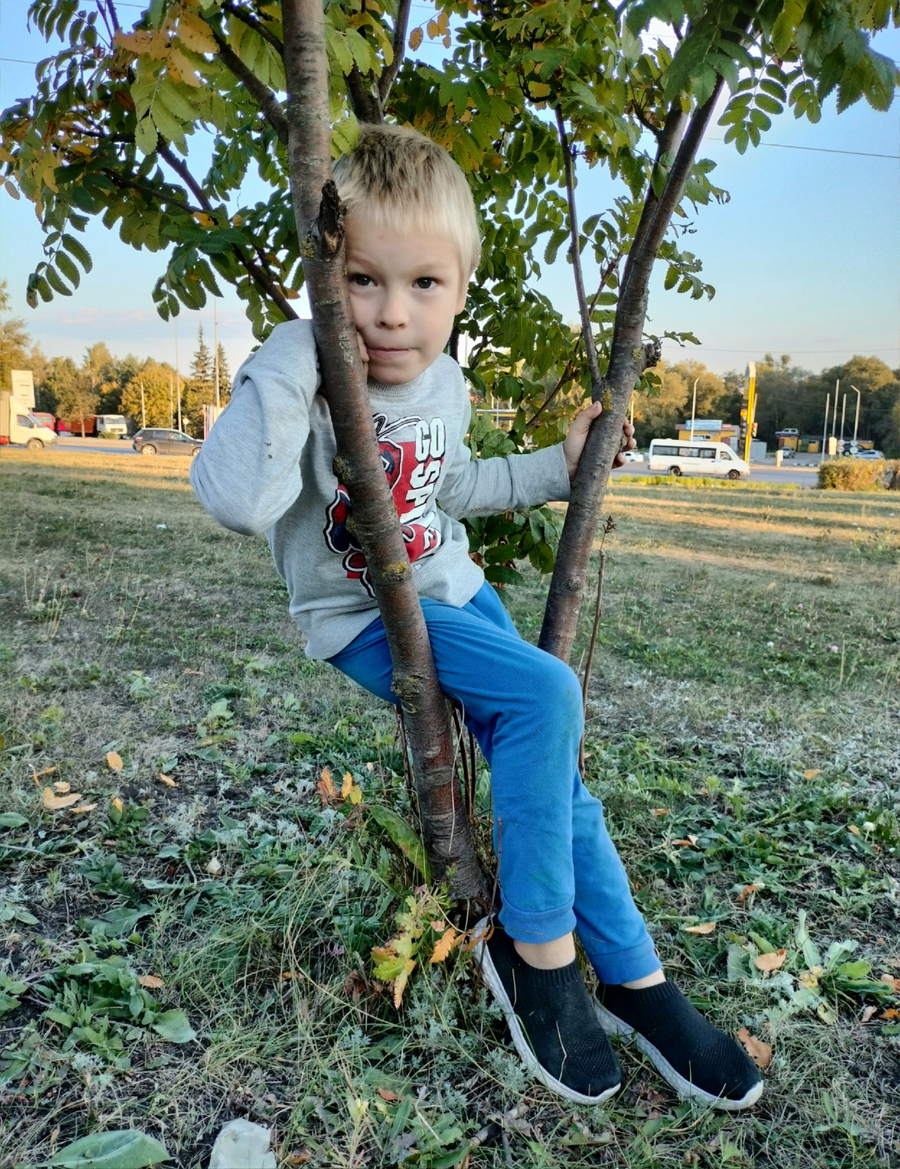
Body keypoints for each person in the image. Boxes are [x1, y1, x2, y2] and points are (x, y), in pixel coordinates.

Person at [190, 124, 763, 1111]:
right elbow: (238, 500)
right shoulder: (302, 371)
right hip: (366, 616)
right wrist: (294, 356)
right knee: (547, 693)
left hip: (456, 593)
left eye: (425, 284)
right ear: (325, 277)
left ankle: (636, 981)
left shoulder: (445, 383)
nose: (391, 313)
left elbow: (451, 487)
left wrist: (560, 466)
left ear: (459, 290)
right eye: (361, 280)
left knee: (559, 781)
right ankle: (538, 958)